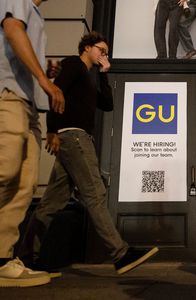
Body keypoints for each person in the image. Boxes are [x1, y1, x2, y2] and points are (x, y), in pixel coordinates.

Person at [22, 32, 158, 276]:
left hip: (75, 139)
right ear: (86, 47)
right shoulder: (73, 64)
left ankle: (27, 259)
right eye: (101, 50)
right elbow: (55, 91)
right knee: (95, 193)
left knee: (51, 203)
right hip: (73, 136)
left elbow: (107, 104)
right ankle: (120, 253)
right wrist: (51, 130)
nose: (104, 55)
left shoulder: (89, 76)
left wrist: (104, 74)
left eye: (106, 52)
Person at [0, 0, 65, 288]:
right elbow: (13, 29)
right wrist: (45, 81)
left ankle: (2, 260)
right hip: (7, 94)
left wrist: (44, 72)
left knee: (24, 185)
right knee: (5, 170)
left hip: (27, 102)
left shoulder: (36, 12)